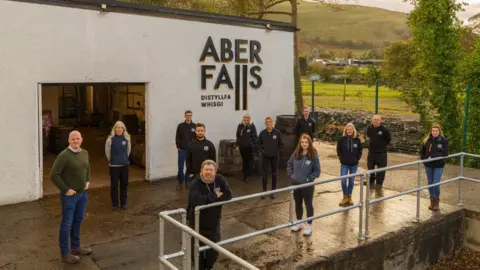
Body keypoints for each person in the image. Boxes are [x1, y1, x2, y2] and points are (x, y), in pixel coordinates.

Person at [50, 130, 91, 264]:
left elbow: (87, 167)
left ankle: (75, 247)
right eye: (73, 139)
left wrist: (87, 181)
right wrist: (65, 189)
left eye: (78, 138)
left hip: (82, 194)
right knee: (66, 224)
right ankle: (65, 254)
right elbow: (54, 175)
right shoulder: (64, 156)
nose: (76, 141)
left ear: (82, 139)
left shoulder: (84, 153)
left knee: (78, 220)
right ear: (68, 141)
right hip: (70, 196)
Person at [187, 160, 232, 270]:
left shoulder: (219, 179)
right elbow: (196, 200)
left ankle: (209, 267)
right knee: (197, 253)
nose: (208, 172)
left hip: (214, 223)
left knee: (214, 251)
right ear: (201, 171)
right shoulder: (194, 184)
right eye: (206, 170)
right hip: (197, 224)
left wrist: (207, 198)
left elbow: (228, 194)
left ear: (215, 171)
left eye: (211, 170)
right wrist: (215, 195)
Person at [287, 134, 321, 236]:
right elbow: (289, 164)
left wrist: (308, 179)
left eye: (306, 142)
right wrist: (291, 175)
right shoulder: (296, 153)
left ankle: (309, 225)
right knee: (298, 203)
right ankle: (300, 222)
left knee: (308, 204)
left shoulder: (313, 154)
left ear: (309, 143)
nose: (304, 144)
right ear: (300, 143)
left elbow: (317, 171)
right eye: (302, 142)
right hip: (296, 184)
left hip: (307, 185)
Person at [419, 124, 448, 211]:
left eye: (436, 131)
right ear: (431, 131)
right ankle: (431, 201)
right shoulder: (427, 140)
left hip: (438, 165)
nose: (434, 132)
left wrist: (433, 157)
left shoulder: (443, 141)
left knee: (436, 183)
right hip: (428, 165)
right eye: (433, 131)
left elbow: (445, 154)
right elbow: (421, 152)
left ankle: (437, 201)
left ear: (439, 132)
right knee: (430, 183)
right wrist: (424, 159)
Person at [105, 121, 131, 211]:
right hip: (114, 166)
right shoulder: (110, 139)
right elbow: (108, 153)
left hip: (125, 166)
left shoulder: (127, 139)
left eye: (121, 128)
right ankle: (115, 204)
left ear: (123, 129)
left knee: (124, 184)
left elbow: (128, 151)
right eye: (118, 127)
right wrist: (113, 160)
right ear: (114, 129)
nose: (119, 129)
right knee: (114, 186)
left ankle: (124, 203)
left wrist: (124, 159)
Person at [337, 123, 363, 207]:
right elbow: (338, 150)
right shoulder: (342, 139)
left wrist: (357, 158)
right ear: (345, 130)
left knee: (351, 181)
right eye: (348, 129)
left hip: (354, 164)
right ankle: (344, 197)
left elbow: (360, 150)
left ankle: (349, 197)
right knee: (343, 181)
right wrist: (341, 158)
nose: (349, 131)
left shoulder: (357, 140)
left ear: (353, 130)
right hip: (344, 164)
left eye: (351, 129)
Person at [258, 117, 283, 199]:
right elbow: (258, 144)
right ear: (265, 124)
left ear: (272, 123)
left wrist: (276, 151)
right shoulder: (262, 133)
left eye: (270, 122)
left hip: (275, 157)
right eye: (267, 122)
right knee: (264, 174)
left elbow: (281, 144)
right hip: (265, 157)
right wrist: (262, 151)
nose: (269, 123)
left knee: (274, 174)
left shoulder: (277, 132)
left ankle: (273, 192)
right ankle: (264, 191)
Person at [366, 115, 391, 188]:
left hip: (381, 153)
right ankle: (371, 181)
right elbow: (369, 137)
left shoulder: (384, 130)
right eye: (374, 119)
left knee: (381, 169)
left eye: (377, 119)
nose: (376, 121)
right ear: (372, 120)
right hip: (371, 152)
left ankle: (379, 184)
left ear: (380, 121)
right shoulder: (369, 128)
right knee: (370, 167)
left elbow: (388, 140)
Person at [175, 110, 196, 190]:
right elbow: (177, 137)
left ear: (191, 116)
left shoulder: (194, 126)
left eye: (190, 115)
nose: (188, 117)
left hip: (191, 151)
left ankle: (187, 182)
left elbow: (196, 138)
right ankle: (180, 183)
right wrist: (178, 146)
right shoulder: (180, 126)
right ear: (184, 116)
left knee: (189, 167)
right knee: (180, 167)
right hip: (182, 150)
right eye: (187, 115)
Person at [235, 113, 258, 182]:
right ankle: (245, 174)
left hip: (249, 147)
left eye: (248, 118)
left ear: (249, 119)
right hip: (242, 147)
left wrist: (254, 145)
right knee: (244, 161)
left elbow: (255, 137)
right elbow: (238, 136)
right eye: (245, 117)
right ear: (243, 118)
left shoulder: (251, 126)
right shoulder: (240, 126)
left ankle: (247, 176)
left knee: (248, 161)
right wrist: (237, 145)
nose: (246, 119)